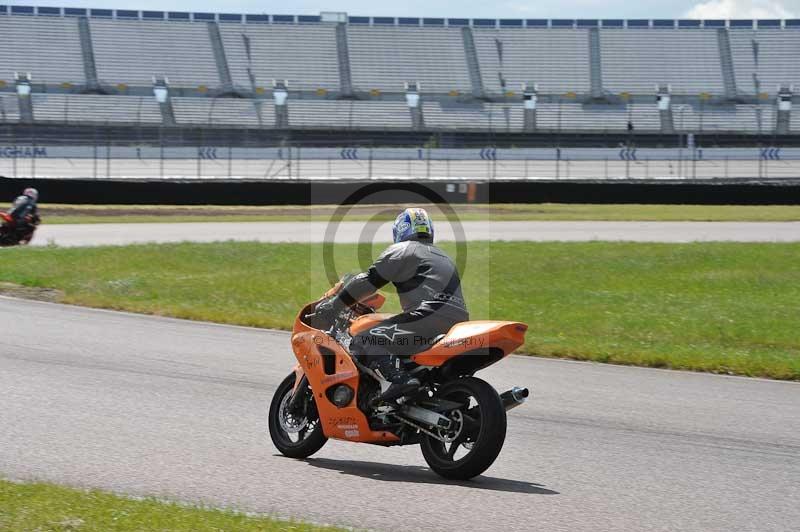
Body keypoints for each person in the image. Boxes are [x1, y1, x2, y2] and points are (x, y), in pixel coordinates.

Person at [317, 207, 469, 402]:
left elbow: (368, 281)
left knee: (364, 340)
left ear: (400, 230)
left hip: (427, 318)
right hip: (458, 323)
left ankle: (399, 380)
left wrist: (335, 304)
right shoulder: (444, 256)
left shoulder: (403, 249)